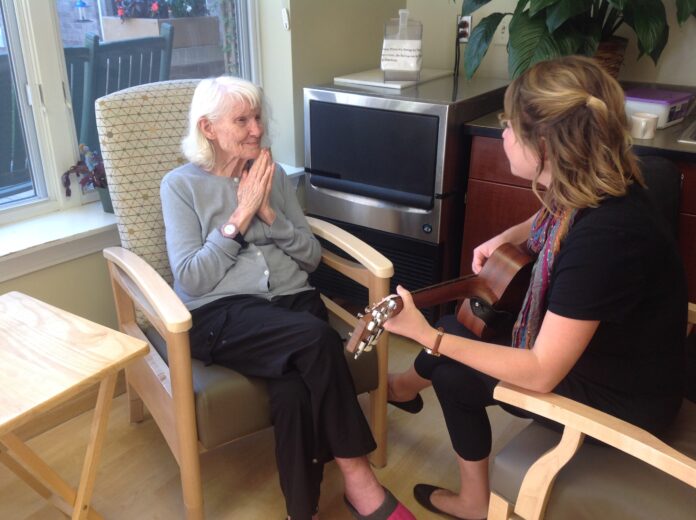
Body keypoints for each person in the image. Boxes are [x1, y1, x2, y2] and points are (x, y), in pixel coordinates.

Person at [384, 55, 687, 520]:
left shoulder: (604, 238)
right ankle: (402, 388)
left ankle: (473, 500)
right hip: (630, 360)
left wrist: (426, 337)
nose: (503, 132)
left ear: (544, 145)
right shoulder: (610, 179)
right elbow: (553, 212)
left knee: (451, 360)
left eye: (509, 124)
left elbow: (543, 370)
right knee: (463, 328)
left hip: (628, 404)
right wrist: (507, 237)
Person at [160, 76, 415, 520]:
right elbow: (192, 279)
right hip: (224, 313)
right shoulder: (180, 186)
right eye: (241, 120)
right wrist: (240, 215)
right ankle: (360, 480)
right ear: (208, 128)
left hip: (293, 303)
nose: (256, 129)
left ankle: (303, 511)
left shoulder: (271, 175)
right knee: (317, 340)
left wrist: (268, 211)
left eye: (257, 117)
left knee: (293, 394)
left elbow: (311, 257)